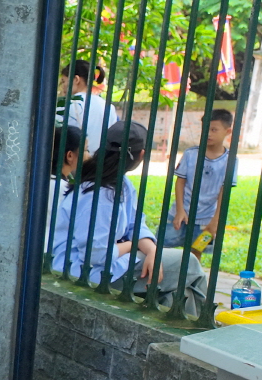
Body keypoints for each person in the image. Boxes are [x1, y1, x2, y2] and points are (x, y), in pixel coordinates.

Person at [49, 123, 206, 316]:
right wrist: (132, 246)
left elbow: (135, 222)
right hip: (84, 273)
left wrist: (152, 251)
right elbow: (96, 256)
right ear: (141, 155)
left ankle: (188, 340)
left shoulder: (121, 183)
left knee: (177, 295)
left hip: (114, 263)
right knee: (188, 262)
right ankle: (207, 333)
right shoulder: (100, 194)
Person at [164, 108, 235, 253]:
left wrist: (215, 220)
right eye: (205, 129)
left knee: (196, 252)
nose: (208, 133)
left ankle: (190, 276)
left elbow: (224, 191)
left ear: (228, 132)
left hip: (207, 218)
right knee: (162, 247)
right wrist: (179, 210)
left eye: (214, 129)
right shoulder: (191, 154)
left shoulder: (230, 160)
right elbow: (180, 181)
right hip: (181, 213)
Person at [57, 60, 120, 154]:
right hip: (98, 164)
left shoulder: (67, 104)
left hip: (71, 162)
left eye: (63, 81)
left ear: (76, 79)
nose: (63, 86)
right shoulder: (109, 107)